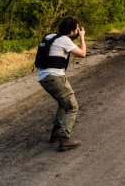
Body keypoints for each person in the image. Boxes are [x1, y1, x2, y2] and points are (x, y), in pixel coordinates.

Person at [35, 16, 86, 151]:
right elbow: (82, 54)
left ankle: (55, 133)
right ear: (73, 30)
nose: (78, 30)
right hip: (55, 77)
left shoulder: (50, 36)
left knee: (63, 103)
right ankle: (64, 139)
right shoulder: (65, 40)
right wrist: (82, 37)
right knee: (72, 107)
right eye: (77, 28)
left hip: (43, 77)